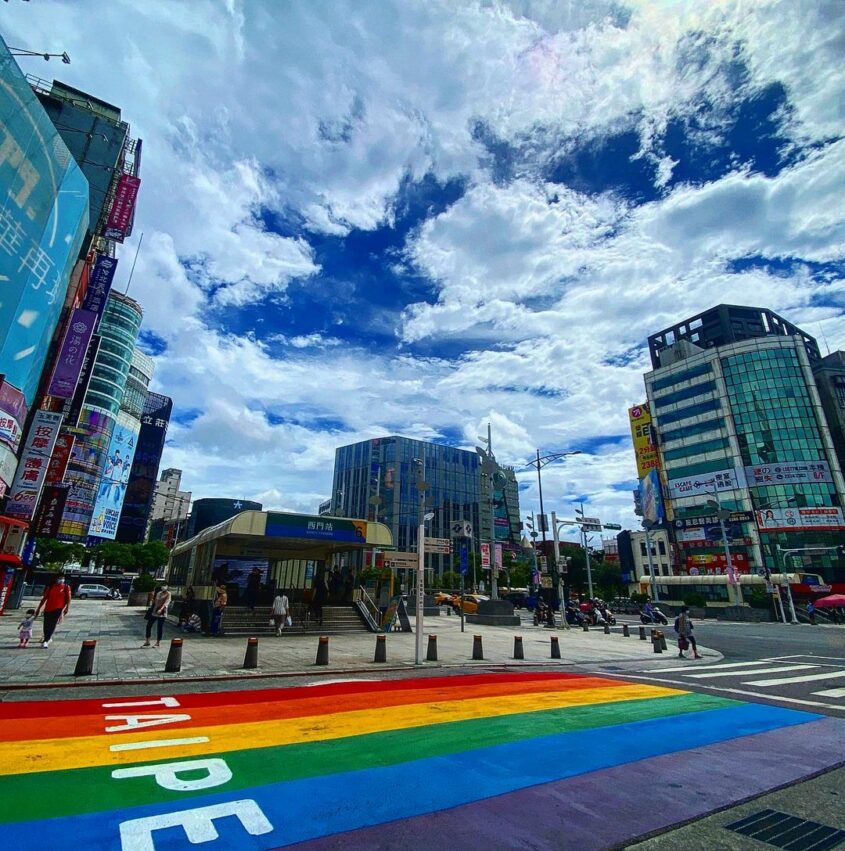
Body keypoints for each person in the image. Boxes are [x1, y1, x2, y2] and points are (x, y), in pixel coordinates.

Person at [35, 575, 71, 648]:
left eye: (62, 578)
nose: (61, 580)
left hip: (58, 608)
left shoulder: (66, 587)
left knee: (52, 624)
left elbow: (68, 598)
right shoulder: (51, 587)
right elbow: (44, 598)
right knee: (46, 624)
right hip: (48, 608)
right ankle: (47, 637)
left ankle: (46, 640)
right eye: (59, 578)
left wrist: (67, 607)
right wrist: (39, 608)